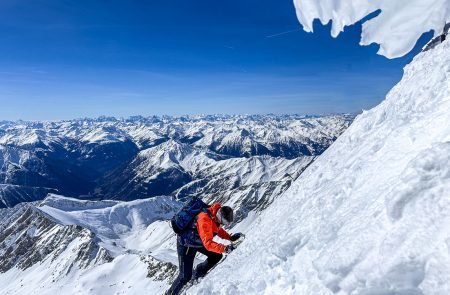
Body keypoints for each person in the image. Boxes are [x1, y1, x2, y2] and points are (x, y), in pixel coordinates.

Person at [166, 203, 243, 295]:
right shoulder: (204, 219)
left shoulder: (214, 216)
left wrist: (230, 238)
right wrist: (225, 248)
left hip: (198, 241)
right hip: (186, 244)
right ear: (220, 216)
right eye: (226, 222)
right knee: (185, 276)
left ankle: (198, 273)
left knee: (216, 255)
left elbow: (216, 229)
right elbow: (208, 244)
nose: (226, 224)